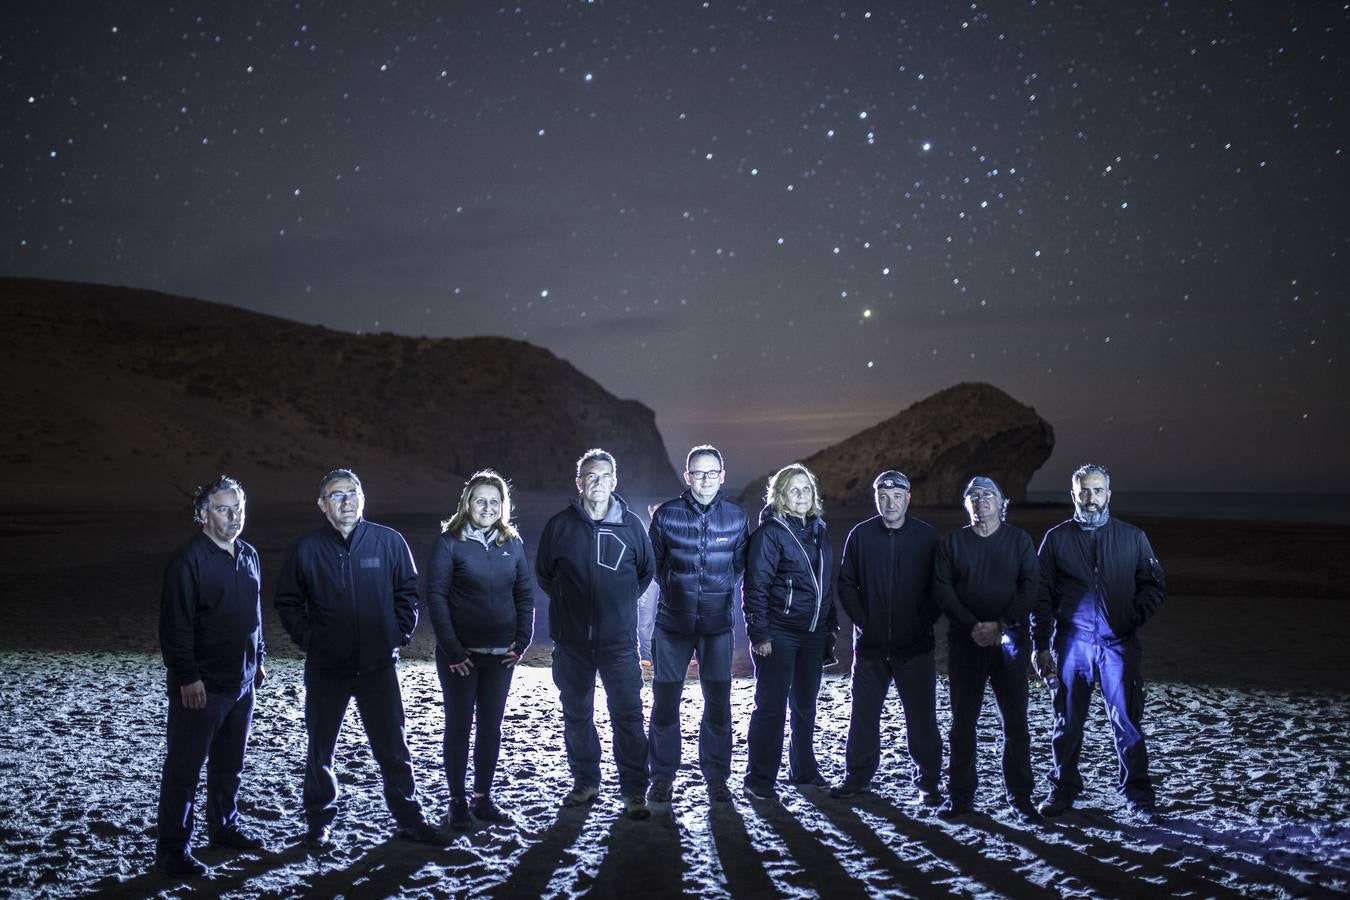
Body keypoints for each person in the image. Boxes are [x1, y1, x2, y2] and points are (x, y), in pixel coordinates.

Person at [274, 468, 446, 849]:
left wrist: (396, 634)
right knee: (320, 750)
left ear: (363, 498)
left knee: (393, 748)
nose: (347, 501)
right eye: (336, 495)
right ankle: (319, 823)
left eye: (353, 493)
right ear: (322, 504)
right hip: (326, 669)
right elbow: (287, 601)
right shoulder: (307, 549)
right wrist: (311, 640)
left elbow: (408, 592)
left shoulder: (388, 542)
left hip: (377, 667)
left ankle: (409, 818)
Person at [1031, 464, 1166, 820]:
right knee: (1067, 721)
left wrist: (1135, 615)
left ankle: (1137, 794)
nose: (1091, 498)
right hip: (1072, 642)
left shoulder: (1132, 536)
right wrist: (1040, 644)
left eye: (1098, 490)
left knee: (1127, 721)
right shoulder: (1057, 539)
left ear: (1109, 494)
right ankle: (1062, 790)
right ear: (1073, 495)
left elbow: (1153, 583)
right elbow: (1040, 594)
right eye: (1084, 491)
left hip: (1119, 643)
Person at [154, 475, 267, 877]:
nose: (234, 516)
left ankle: (224, 828)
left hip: (242, 683)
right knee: (184, 770)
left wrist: (260, 660)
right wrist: (188, 677)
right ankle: (172, 849)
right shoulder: (188, 562)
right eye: (223, 508)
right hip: (201, 688)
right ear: (203, 514)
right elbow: (175, 627)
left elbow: (254, 615)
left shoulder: (249, 554)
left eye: (239, 508)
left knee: (228, 766)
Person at [535, 449, 655, 820]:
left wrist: (616, 608)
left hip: (619, 643)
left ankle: (634, 789)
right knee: (577, 714)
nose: (597, 482)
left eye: (604, 476)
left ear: (614, 482)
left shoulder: (632, 526)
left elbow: (644, 574)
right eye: (590, 476)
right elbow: (544, 575)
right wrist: (574, 608)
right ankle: (586, 781)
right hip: (572, 643)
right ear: (579, 482)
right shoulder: (560, 526)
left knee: (628, 716)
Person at [424, 470, 534, 829]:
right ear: (467, 503)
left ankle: (483, 799)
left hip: (501, 654)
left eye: (494, 501)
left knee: (491, 727)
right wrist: (453, 650)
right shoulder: (450, 542)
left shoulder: (511, 542)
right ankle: (457, 802)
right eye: (480, 500)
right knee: (459, 726)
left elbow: (524, 593)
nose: (487, 507)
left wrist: (523, 640)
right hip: (462, 657)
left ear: (503, 505)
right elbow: (436, 597)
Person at [830, 470, 944, 808]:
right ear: (875, 498)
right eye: (883, 496)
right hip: (870, 647)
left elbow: (939, 588)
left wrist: (922, 623)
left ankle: (928, 781)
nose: (889, 502)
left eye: (896, 496)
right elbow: (846, 583)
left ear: (908, 498)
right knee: (864, 715)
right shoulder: (861, 535)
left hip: (916, 646)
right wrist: (865, 622)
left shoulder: (926, 537)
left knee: (921, 717)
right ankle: (858, 777)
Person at [932, 476, 1041, 823]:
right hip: (966, 644)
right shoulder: (954, 543)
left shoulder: (1019, 541)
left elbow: (1030, 588)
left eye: (988, 495)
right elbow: (943, 588)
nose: (981, 501)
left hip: (1009, 644)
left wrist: (1001, 625)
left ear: (1001, 502)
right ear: (966, 504)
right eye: (973, 496)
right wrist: (973, 626)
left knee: (1016, 722)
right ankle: (961, 798)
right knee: (963, 722)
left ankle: (1021, 798)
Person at [646, 444, 749, 805]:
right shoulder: (667, 516)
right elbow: (655, 565)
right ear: (687, 476)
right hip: (672, 625)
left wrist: (715, 592)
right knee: (665, 704)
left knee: (718, 704)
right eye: (697, 473)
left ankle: (717, 777)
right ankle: (661, 777)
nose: (704, 479)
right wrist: (679, 589)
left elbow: (738, 567)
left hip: (718, 627)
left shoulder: (736, 517)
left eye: (712, 473)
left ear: (722, 476)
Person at [742, 463, 839, 802]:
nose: (801, 496)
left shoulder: (819, 529)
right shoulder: (770, 532)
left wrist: (830, 627)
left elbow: (826, 584)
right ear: (780, 495)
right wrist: (760, 634)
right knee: (770, 707)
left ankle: (803, 770)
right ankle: (760, 778)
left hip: (812, 634)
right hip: (779, 633)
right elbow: (755, 586)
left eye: (806, 490)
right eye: (793, 490)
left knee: (805, 706)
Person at [636, 503, 661, 678]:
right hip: (648, 580)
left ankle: (686, 653)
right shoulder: (643, 530)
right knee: (645, 617)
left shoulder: (672, 529)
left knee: (675, 615)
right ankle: (646, 655)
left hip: (668, 578)